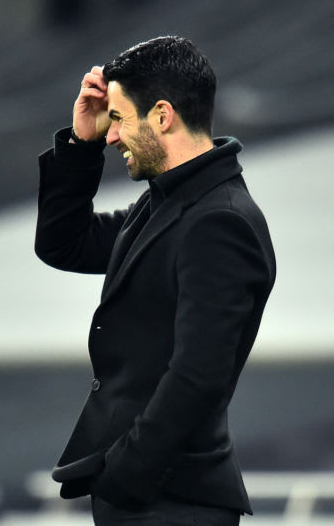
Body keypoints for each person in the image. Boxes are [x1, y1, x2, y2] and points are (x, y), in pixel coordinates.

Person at [35, 36, 276, 524]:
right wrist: (81, 144)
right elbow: (64, 244)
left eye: (119, 119)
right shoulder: (166, 204)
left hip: (170, 501)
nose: (111, 135)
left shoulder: (218, 222)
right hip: (149, 499)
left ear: (162, 116)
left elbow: (198, 375)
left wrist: (127, 474)